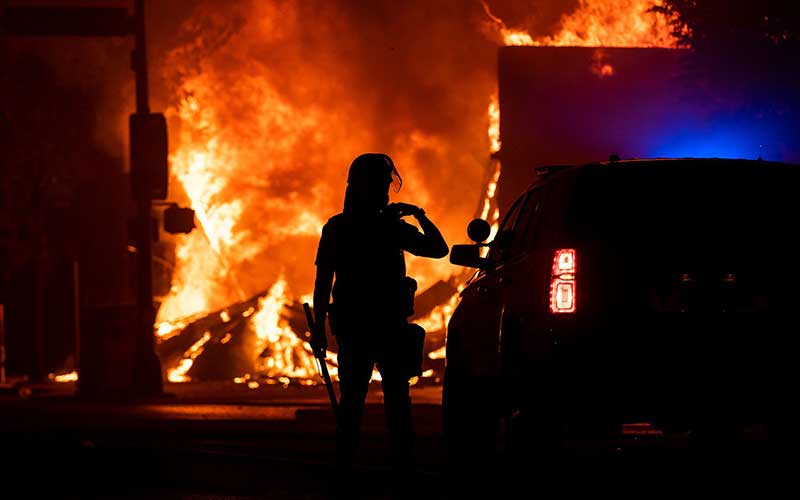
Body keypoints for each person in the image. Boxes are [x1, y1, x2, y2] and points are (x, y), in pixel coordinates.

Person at [312, 153, 448, 494]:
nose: (388, 191)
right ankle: (402, 473)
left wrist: (318, 328)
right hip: (384, 326)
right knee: (396, 402)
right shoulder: (388, 227)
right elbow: (438, 247)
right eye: (384, 185)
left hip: (356, 328)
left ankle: (346, 471)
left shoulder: (338, 227)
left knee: (353, 402)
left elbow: (322, 283)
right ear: (369, 186)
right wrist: (419, 216)